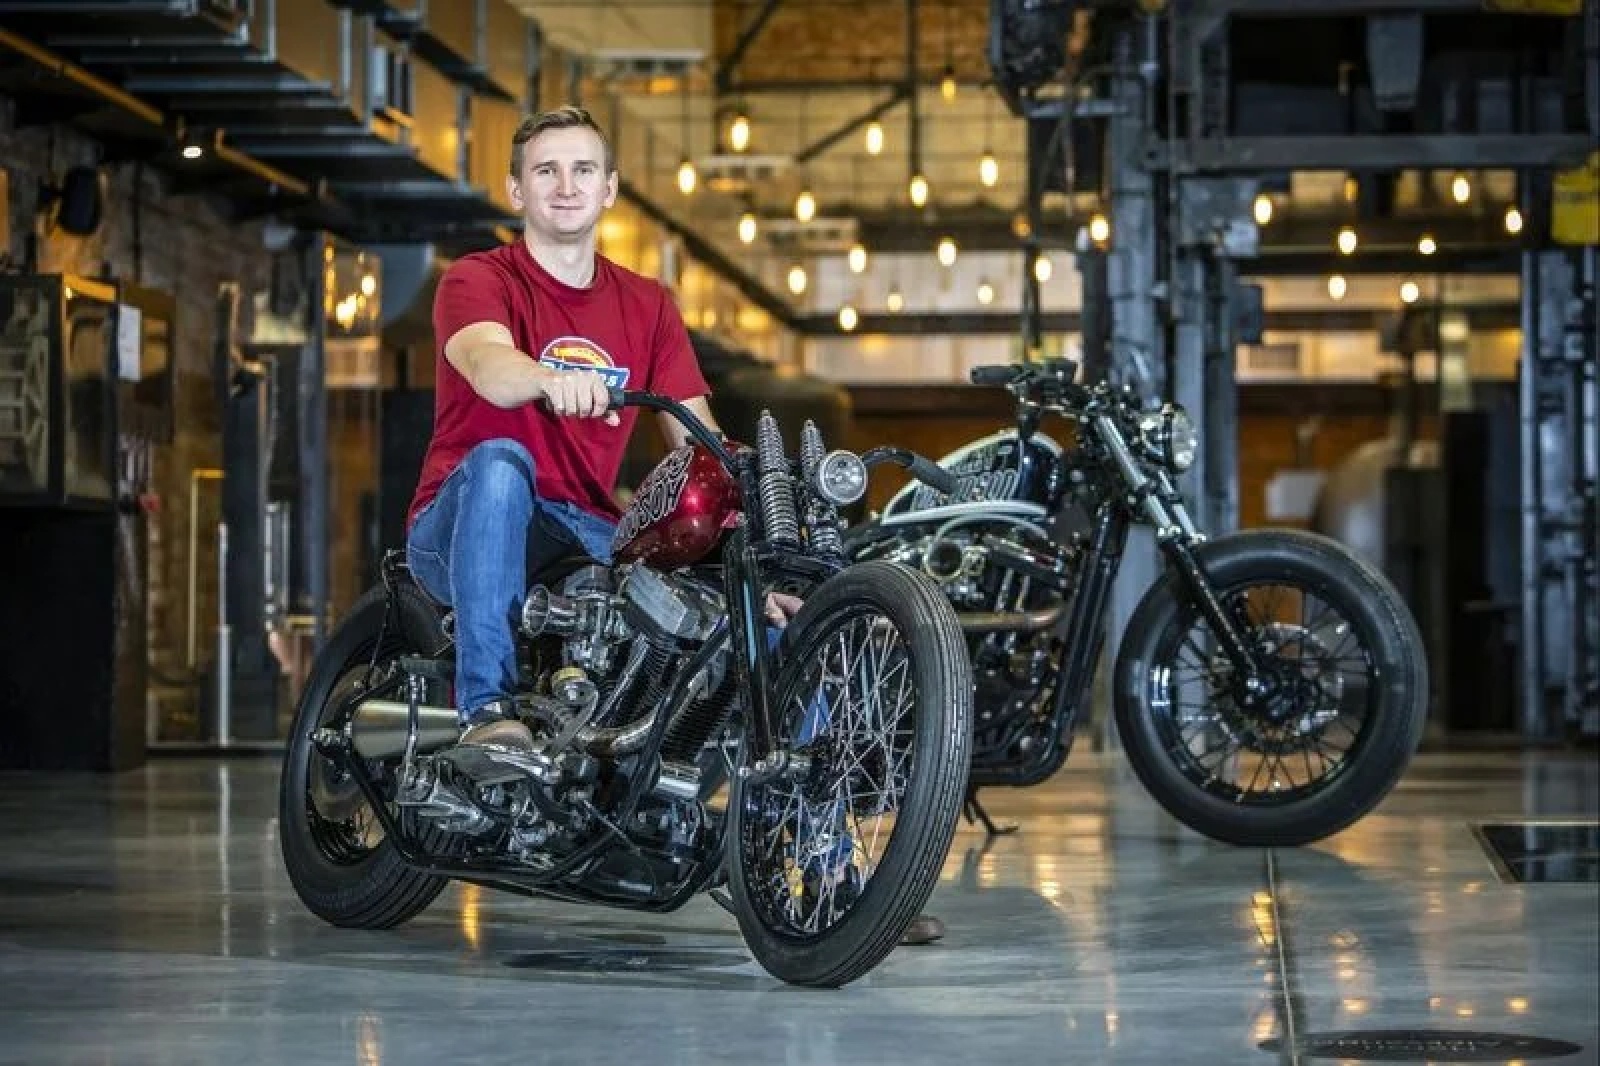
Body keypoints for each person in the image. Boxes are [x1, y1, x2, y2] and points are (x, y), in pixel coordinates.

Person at [404, 106, 942, 946]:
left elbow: (696, 441)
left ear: (610, 190)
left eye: (583, 170)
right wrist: (546, 378)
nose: (565, 186)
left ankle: (827, 865)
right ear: (516, 190)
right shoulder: (480, 279)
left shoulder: (646, 304)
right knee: (503, 459)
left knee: (764, 623)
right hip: (464, 519)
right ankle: (486, 712)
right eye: (546, 171)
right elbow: (489, 366)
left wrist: (756, 558)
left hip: (586, 528)